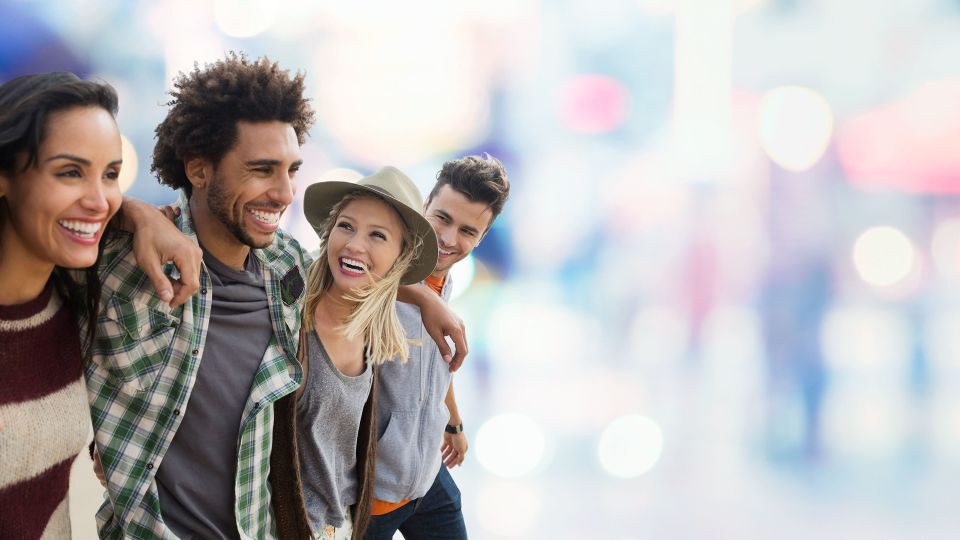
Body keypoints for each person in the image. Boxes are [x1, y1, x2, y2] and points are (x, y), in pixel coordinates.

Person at [85, 53, 463, 540]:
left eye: (291, 170)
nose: (285, 193)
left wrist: (427, 300)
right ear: (199, 169)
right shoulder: (127, 266)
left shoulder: (284, 269)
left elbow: (354, 270)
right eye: (263, 169)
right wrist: (130, 213)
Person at [0, 72, 200, 539]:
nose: (99, 200)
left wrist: (141, 213)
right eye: (70, 172)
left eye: (110, 174)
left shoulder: (76, 298)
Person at [280, 166, 439, 540]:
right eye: (346, 226)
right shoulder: (289, 317)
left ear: (400, 258)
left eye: (377, 235)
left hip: (343, 529)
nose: (354, 245)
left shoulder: (376, 339)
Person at [365, 155, 510, 539]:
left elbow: (435, 361)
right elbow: (356, 275)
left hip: (425, 471)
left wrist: (453, 421)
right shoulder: (380, 260)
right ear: (425, 206)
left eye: (468, 231)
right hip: (371, 492)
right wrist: (426, 301)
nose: (448, 239)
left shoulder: (448, 281)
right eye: (442, 218)